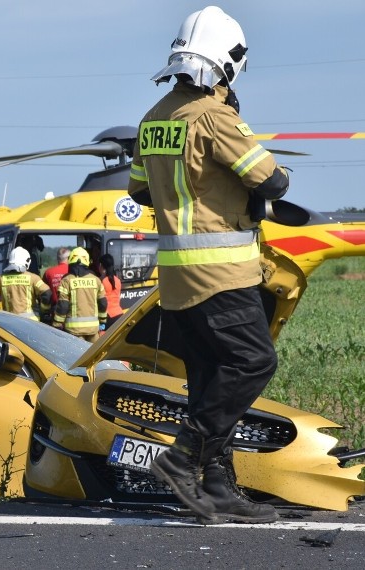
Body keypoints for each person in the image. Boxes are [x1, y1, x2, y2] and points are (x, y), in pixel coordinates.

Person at [126, 6, 289, 525]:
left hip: (176, 279)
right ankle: (183, 457)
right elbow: (273, 181)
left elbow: (137, 190)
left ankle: (218, 489)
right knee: (253, 363)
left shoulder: (154, 117)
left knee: (211, 375)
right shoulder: (215, 117)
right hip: (222, 273)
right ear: (228, 61)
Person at [52, 247, 107, 341]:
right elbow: (102, 303)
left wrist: (57, 324)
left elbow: (63, 305)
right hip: (93, 329)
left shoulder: (67, 280)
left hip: (74, 330)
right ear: (87, 261)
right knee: (94, 355)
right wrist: (103, 321)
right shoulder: (96, 280)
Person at [0, 246, 51, 320]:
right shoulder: (33, 278)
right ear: (27, 261)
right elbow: (47, 293)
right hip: (31, 323)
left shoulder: (0, 278)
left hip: (9, 321)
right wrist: (44, 310)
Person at [41, 247, 71, 324]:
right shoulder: (72, 272)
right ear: (69, 258)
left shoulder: (48, 272)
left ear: (58, 258)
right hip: (71, 311)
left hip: (55, 311)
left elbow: (44, 292)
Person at [98, 253, 124, 330]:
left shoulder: (101, 281)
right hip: (119, 314)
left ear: (101, 266)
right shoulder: (118, 280)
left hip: (107, 316)